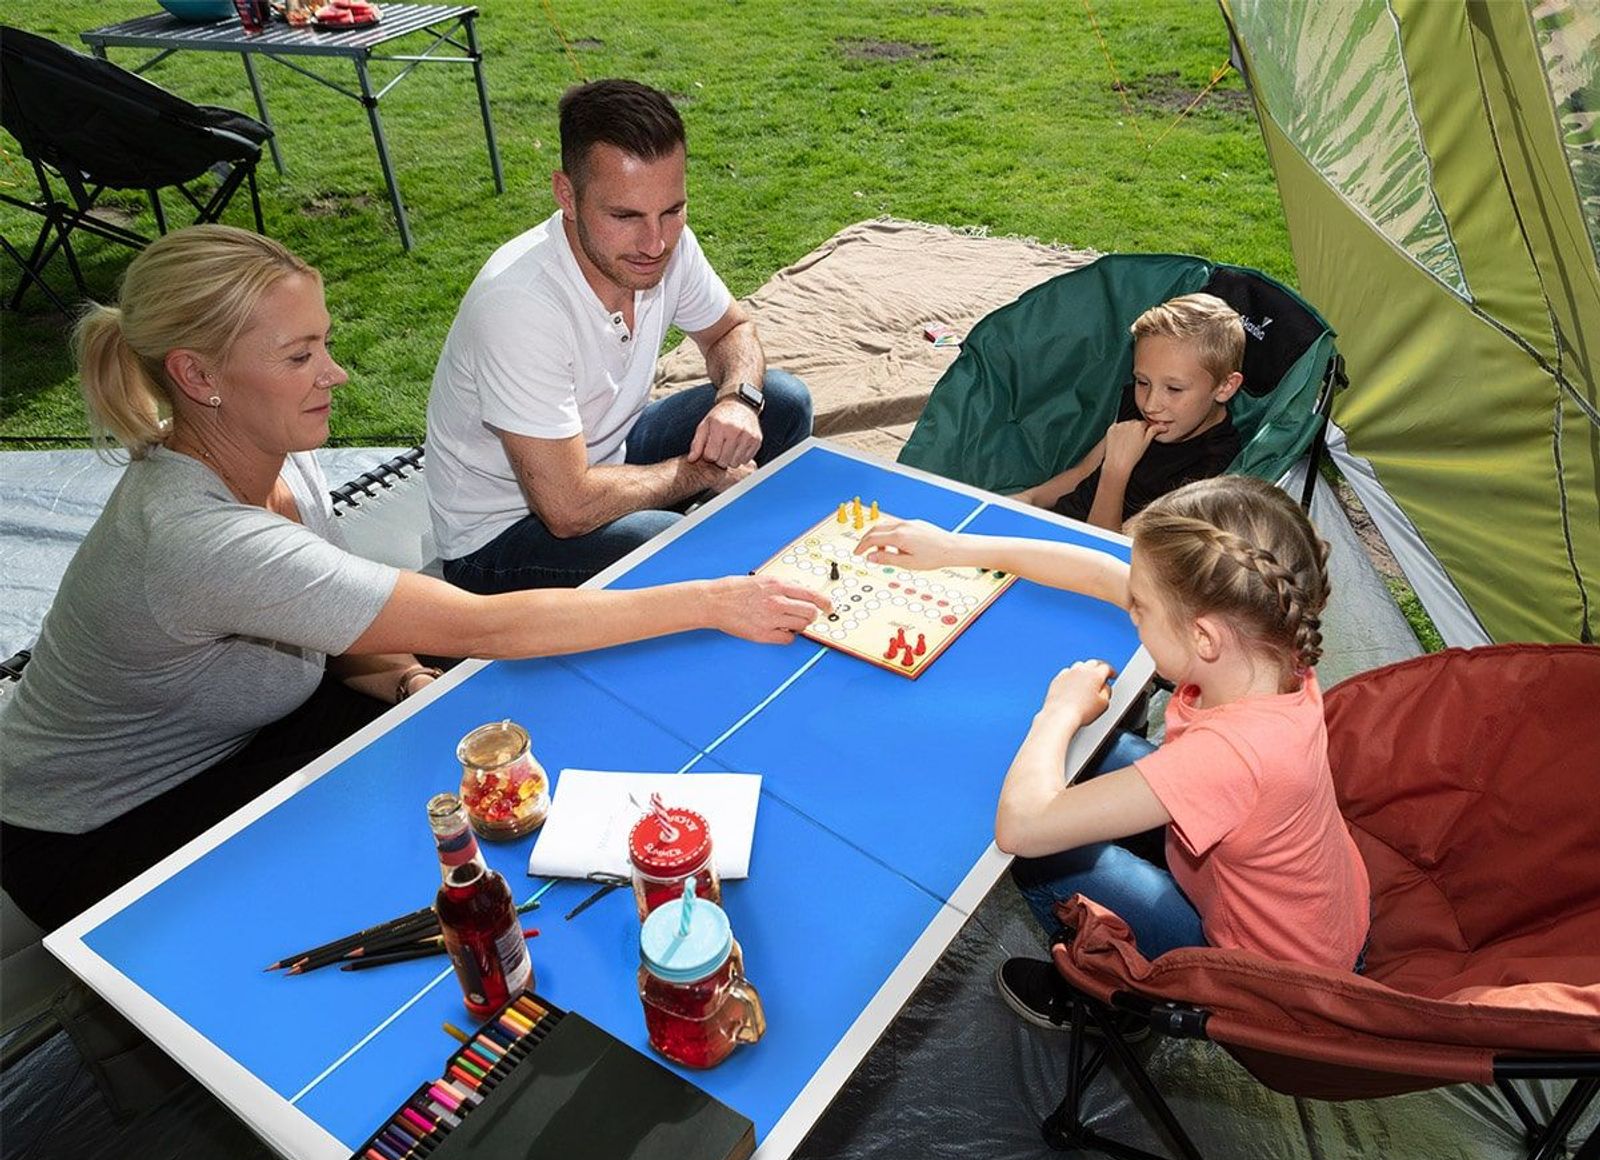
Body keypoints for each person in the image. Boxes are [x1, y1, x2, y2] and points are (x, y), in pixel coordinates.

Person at [0, 226, 826, 931]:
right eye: (299, 354)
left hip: (230, 725)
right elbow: (486, 625)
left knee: (452, 767)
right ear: (198, 377)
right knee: (415, 856)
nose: (336, 373)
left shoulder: (278, 451)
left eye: (323, 341)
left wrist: (397, 677)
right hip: (96, 830)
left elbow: (323, 627)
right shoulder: (194, 538)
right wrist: (721, 600)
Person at [854, 475, 1370, 1031]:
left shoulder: (1229, 756)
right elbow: (1104, 575)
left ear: (1204, 638)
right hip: (1320, 920)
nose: (1130, 612)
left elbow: (1022, 827)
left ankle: (1114, 996)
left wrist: (1059, 711)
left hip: (1270, 984)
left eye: (1141, 608)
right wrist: (958, 549)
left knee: (1042, 853)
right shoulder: (1277, 645)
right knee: (1098, 756)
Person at [425, 78, 813, 593]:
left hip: (609, 456)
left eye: (672, 210)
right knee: (668, 542)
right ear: (567, 194)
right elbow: (566, 508)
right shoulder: (519, 304)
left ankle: (727, 563)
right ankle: (715, 563)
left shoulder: (664, 246)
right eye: (625, 216)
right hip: (500, 537)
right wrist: (704, 473)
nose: (655, 242)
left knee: (781, 401)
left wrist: (739, 399)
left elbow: (732, 330)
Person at [1013, 293, 1245, 532]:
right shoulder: (1137, 407)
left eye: (1174, 388)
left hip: (1094, 555)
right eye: (1142, 382)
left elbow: (1113, 552)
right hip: (1058, 525)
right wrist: (1029, 499)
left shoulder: (1214, 466)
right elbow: (1083, 472)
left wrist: (1116, 471)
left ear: (1225, 387)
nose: (1150, 405)